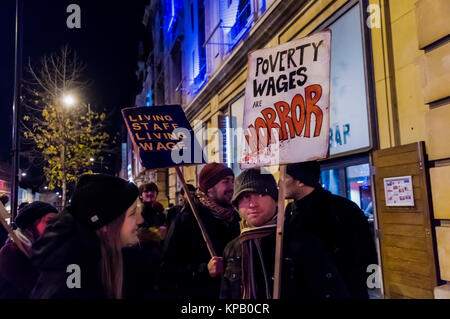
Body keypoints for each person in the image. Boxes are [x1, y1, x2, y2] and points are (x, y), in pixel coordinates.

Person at [30, 174, 143, 299]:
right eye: (132, 213)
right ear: (105, 224)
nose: (141, 219)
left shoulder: (102, 255)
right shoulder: (71, 275)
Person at [281, 161, 378, 299]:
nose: (279, 183)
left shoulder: (342, 210)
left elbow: (365, 255)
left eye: (285, 177)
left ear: (300, 181)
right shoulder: (290, 211)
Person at [161, 163, 240, 299]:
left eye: (232, 181)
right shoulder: (187, 219)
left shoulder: (234, 217)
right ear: (209, 188)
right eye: (225, 182)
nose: (232, 187)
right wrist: (204, 270)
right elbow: (166, 269)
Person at [220, 168, 278, 299]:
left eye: (261, 194)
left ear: (276, 199)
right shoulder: (232, 249)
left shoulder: (297, 241)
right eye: (245, 197)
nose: (252, 204)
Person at [0, 201, 58, 299]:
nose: (54, 226)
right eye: (49, 221)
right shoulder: (10, 252)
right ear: (32, 223)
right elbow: (34, 290)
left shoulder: (42, 249)